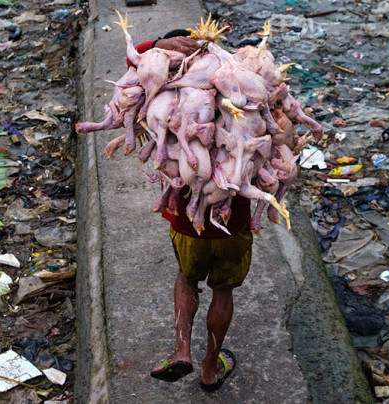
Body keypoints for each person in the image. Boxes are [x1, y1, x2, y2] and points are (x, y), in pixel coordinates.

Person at [129, 31, 254, 392]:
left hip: (186, 222)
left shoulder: (166, 88)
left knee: (186, 278)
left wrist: (156, 47)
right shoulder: (236, 82)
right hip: (233, 221)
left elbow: (136, 64)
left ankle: (182, 349)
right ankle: (210, 368)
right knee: (223, 291)